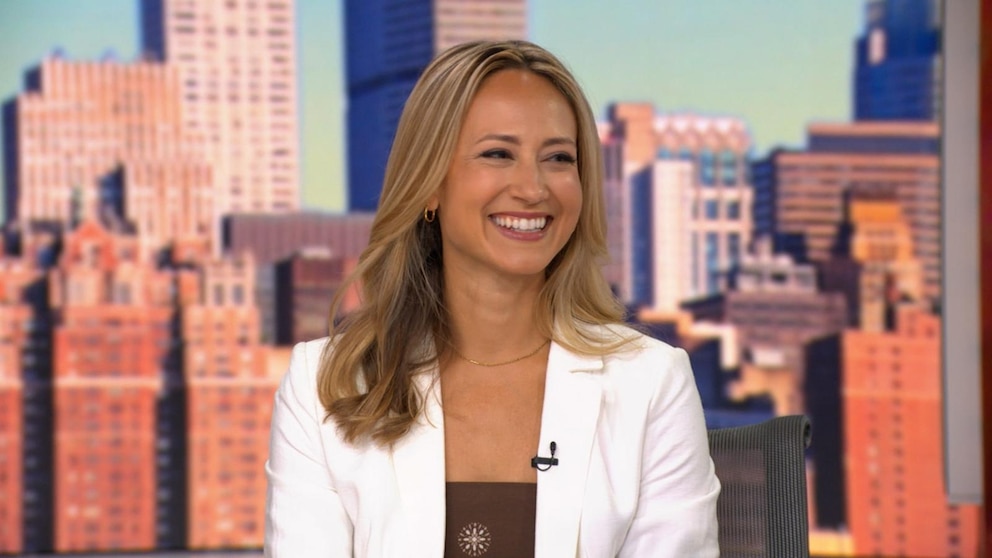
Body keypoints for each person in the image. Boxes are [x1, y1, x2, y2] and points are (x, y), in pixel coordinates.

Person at [265, 40, 719, 557]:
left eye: (558, 158)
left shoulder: (651, 382)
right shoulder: (324, 385)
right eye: (498, 154)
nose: (533, 188)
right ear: (429, 184)